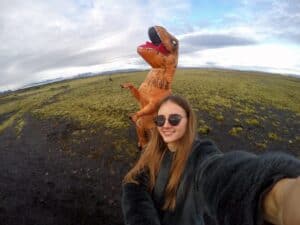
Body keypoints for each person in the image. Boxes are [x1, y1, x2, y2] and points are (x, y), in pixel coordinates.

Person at [121, 95, 300, 225]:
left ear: (188, 121)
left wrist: (277, 196)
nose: (166, 125)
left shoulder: (199, 154)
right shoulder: (154, 151)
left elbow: (223, 176)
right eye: (160, 119)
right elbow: (134, 180)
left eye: (174, 119)